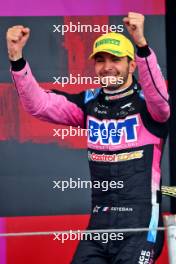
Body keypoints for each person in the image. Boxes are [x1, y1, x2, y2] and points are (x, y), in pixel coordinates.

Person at [6, 12, 170, 264]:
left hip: (139, 226)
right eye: (100, 60)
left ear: (132, 65)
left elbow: (160, 98)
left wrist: (141, 44)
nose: (107, 67)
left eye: (115, 59)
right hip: (99, 224)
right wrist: (16, 60)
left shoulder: (149, 106)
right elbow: (39, 105)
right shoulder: (88, 103)